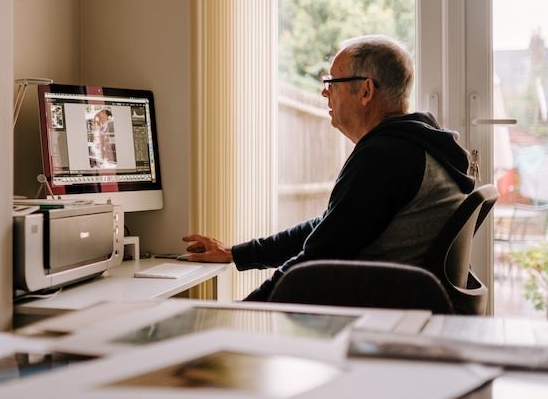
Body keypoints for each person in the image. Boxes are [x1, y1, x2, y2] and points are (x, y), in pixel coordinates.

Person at [182, 35, 475, 302]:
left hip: (378, 314)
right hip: (398, 307)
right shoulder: (411, 146)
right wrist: (236, 254)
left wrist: (244, 313)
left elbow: (318, 258)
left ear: (365, 91)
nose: (325, 93)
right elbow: (328, 228)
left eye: (332, 82)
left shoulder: (385, 157)